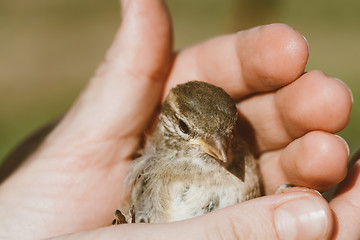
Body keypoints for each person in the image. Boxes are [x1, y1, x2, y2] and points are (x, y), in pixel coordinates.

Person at [0, 0, 357, 239]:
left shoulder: (243, 162)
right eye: (189, 130)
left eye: (226, 134)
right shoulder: (157, 174)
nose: (219, 148)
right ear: (171, 125)